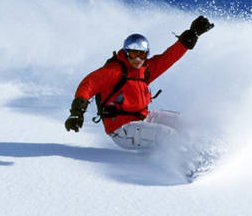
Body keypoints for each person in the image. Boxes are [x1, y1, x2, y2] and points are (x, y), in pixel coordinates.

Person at [64, 16, 214, 150]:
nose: (137, 59)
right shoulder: (114, 70)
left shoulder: (145, 70)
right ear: (126, 52)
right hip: (122, 127)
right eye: (133, 53)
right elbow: (88, 84)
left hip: (143, 117)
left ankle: (210, 145)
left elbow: (168, 57)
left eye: (141, 54)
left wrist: (191, 34)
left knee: (185, 122)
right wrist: (77, 112)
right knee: (171, 137)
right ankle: (191, 166)